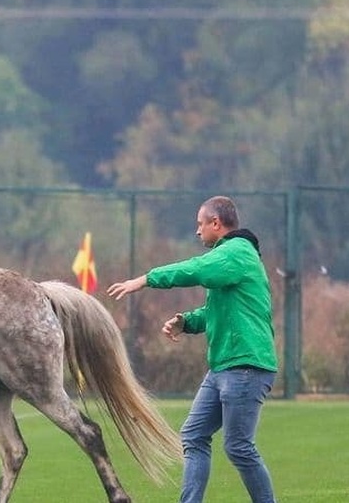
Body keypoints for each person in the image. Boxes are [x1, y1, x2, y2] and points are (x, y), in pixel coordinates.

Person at [107, 196, 278, 503]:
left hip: (245, 366)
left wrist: (146, 279)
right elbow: (216, 312)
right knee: (194, 436)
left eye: (201, 224)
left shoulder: (236, 252)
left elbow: (197, 270)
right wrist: (186, 322)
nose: (197, 231)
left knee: (239, 447)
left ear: (217, 223)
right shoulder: (229, 260)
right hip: (223, 367)